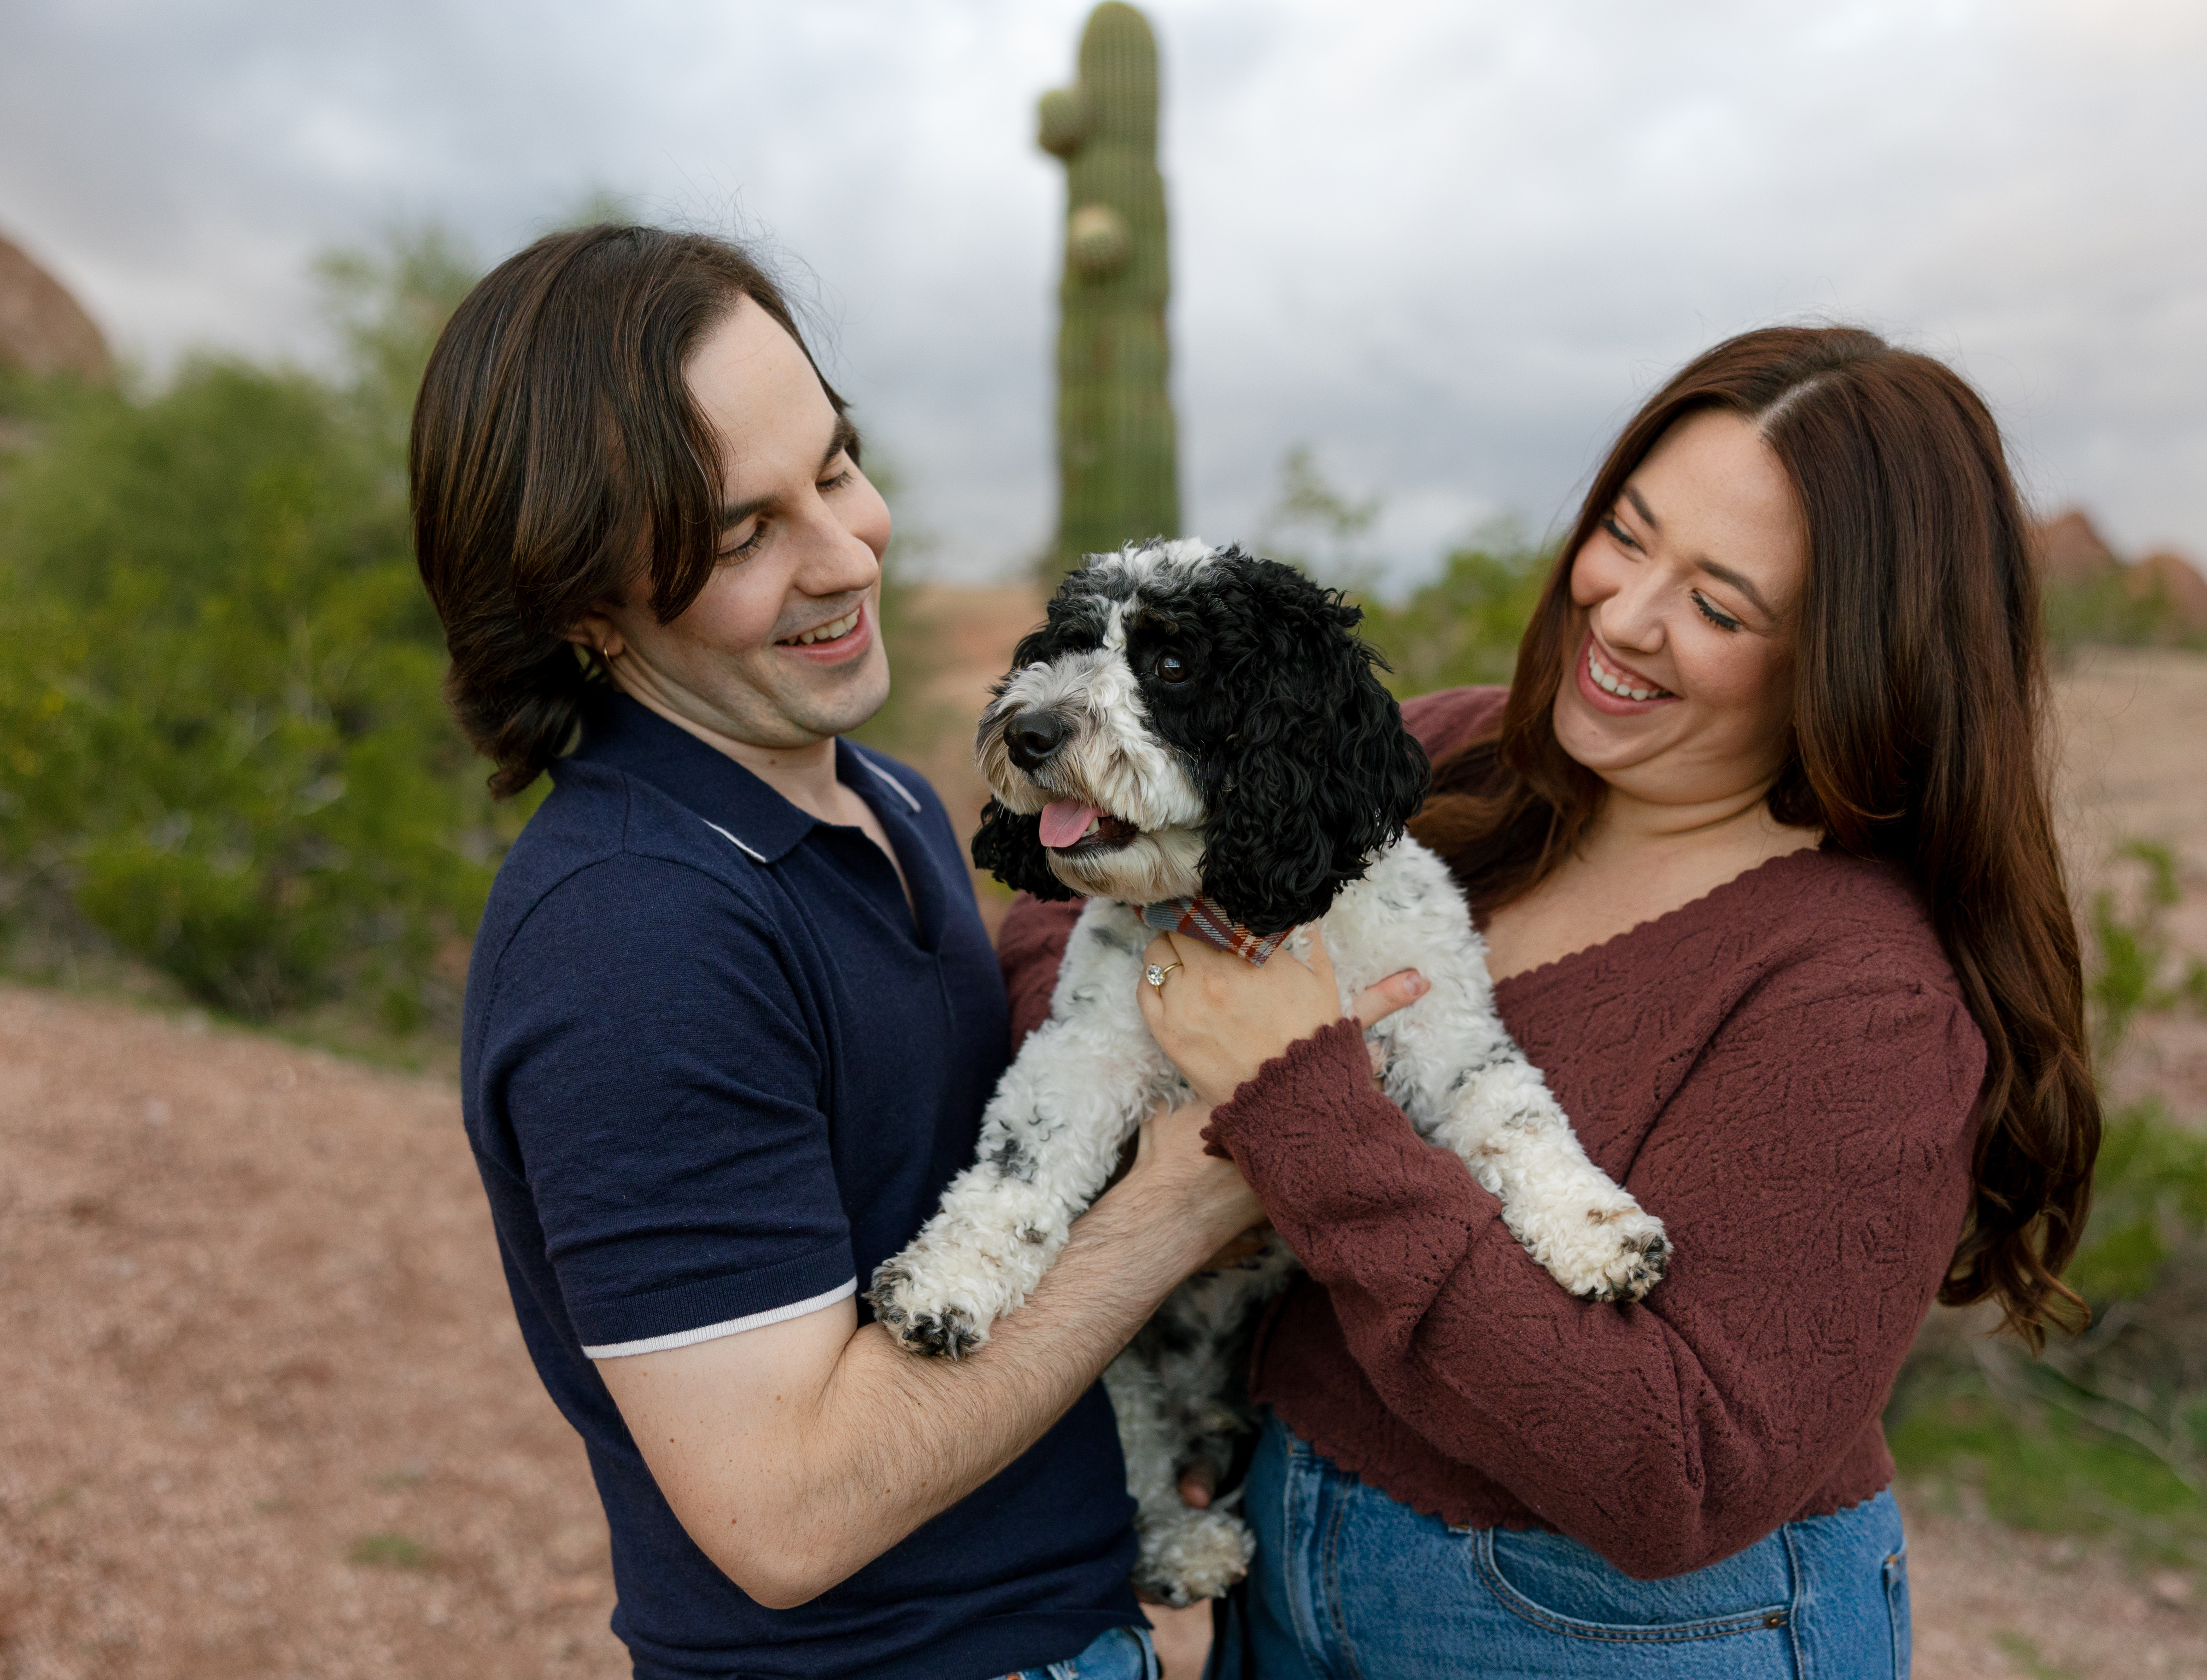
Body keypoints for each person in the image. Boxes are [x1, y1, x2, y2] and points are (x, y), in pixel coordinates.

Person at [1000, 325, 2101, 1677]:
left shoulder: (1866, 1002)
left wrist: (1298, 1120)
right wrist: (1140, 1104)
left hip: (1627, 1638)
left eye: (1719, 604)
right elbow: (1065, 898)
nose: (1626, 615)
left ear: (1852, 658)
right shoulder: (1455, 763)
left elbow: (1680, 1476)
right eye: (1627, 536)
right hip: (1287, 1586)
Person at [411, 224, 1402, 1680]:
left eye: (834, 465)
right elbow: (785, 1515)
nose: (847, 547)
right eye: (745, 536)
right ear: (582, 611)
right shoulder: (631, 942)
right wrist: (1196, 1191)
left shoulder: (860, 793)